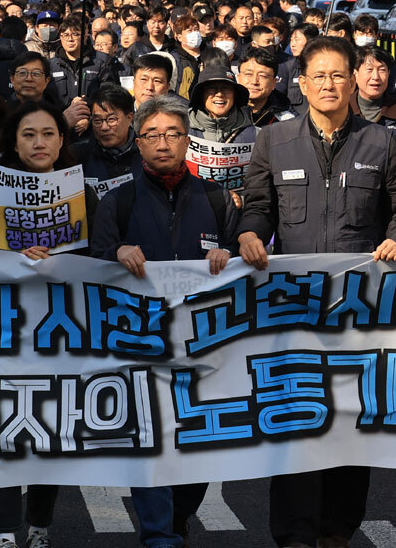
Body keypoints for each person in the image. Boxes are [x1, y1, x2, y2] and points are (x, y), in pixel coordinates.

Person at [237, 36, 396, 548]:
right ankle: (295, 535)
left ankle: (339, 530)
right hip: (295, 311)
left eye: (338, 75)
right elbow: (258, 207)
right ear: (301, 83)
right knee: (296, 422)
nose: (328, 84)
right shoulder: (273, 141)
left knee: (349, 426)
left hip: (360, 313)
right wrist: (249, 231)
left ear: (354, 80)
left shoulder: (381, 143)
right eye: (318, 75)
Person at [89, 94, 239, 548]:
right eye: (152, 134)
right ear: (138, 143)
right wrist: (114, 253)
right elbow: (93, 264)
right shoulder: (119, 200)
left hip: (203, 347)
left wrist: (228, 254)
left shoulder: (215, 198)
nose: (162, 143)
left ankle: (178, 518)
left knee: (199, 449)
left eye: (173, 134)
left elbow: (245, 257)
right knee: (151, 442)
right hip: (141, 344)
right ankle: (159, 537)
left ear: (187, 141)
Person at [0, 101, 99, 548]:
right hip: (3, 330)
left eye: (49, 134)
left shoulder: (83, 193)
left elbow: (103, 258)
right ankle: (3, 530)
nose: (39, 142)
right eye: (29, 134)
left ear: (61, 140)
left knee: (51, 428)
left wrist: (63, 262)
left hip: (62, 331)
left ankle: (40, 524)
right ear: (13, 142)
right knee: (6, 429)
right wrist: (13, 262)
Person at [350, 46, 396, 179]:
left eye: (382, 70)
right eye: (369, 70)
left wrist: (395, 170)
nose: (376, 77)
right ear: (355, 74)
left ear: (389, 73)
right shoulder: (342, 111)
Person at [73, 83, 140, 183]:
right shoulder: (80, 156)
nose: (104, 127)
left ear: (129, 118)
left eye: (112, 119)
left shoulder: (146, 155)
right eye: (97, 121)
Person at [188, 63, 257, 145]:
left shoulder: (255, 135)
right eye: (212, 88)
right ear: (201, 95)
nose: (219, 94)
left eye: (226, 88)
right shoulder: (183, 129)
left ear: (235, 95)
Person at [237, 46, 295, 129]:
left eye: (262, 76)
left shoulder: (286, 120)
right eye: (248, 74)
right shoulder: (225, 110)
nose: (254, 81)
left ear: (274, 83)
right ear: (238, 78)